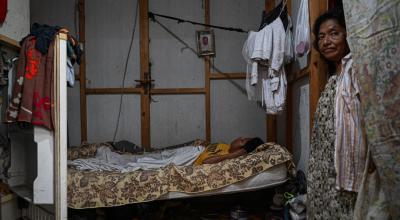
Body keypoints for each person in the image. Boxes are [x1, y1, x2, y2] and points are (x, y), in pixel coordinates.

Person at [306, 9, 368, 220]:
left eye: (334, 33)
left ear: (347, 35)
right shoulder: (334, 76)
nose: (326, 41)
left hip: (344, 168)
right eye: (321, 36)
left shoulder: (356, 70)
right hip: (322, 168)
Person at [194, 137, 264, 165]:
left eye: (242, 140)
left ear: (241, 150)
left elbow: (206, 162)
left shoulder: (228, 159)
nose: (239, 138)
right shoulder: (226, 146)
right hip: (193, 150)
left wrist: (235, 154)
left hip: (192, 159)